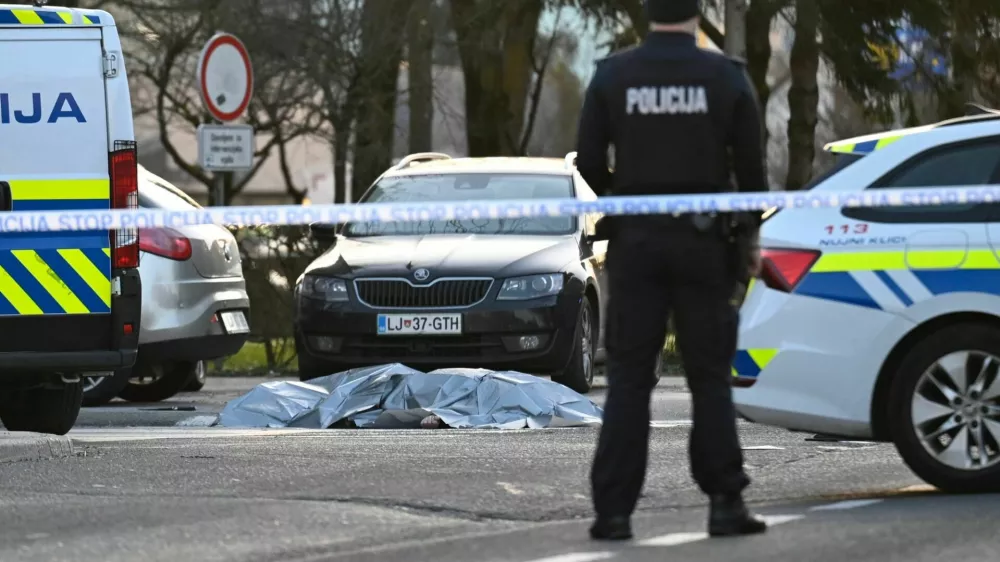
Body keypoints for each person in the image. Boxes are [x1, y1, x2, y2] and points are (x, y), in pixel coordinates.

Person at [576, 0, 770, 541]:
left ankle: (613, 514)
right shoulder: (725, 77)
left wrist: (626, 195)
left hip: (637, 244)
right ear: (697, 14)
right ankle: (725, 503)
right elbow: (752, 168)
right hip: (704, 245)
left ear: (646, 14)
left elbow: (588, 160)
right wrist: (749, 234)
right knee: (709, 378)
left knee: (629, 381)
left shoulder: (614, 75)